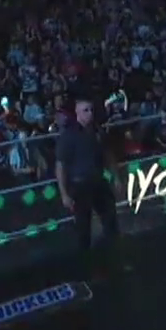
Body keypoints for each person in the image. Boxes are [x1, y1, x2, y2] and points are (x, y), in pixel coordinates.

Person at [56, 97, 118, 257]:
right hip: (80, 185)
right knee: (83, 228)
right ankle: (86, 260)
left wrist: (116, 177)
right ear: (77, 113)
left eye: (91, 110)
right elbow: (60, 166)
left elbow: (108, 155)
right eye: (86, 110)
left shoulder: (98, 131)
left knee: (110, 219)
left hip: (99, 182)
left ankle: (112, 254)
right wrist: (64, 194)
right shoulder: (69, 135)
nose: (90, 113)